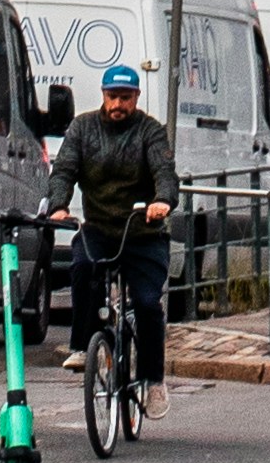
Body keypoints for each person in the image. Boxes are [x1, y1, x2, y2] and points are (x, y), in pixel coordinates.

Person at [49, 61, 175, 397]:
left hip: (143, 232)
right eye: (111, 96)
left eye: (124, 97)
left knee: (148, 304)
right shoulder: (83, 128)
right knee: (82, 266)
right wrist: (58, 205)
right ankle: (81, 346)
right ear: (103, 96)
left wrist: (162, 200)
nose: (117, 104)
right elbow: (64, 170)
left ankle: (152, 380)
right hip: (100, 227)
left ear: (136, 97)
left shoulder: (150, 131)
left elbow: (164, 170)